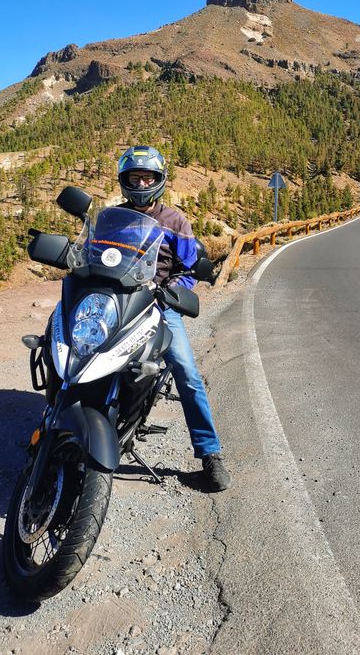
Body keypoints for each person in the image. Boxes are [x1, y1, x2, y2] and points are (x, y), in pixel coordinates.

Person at [117, 145, 231, 492]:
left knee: (186, 371)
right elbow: (95, 253)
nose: (140, 183)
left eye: (146, 177)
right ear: (124, 180)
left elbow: (190, 269)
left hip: (158, 303)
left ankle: (209, 454)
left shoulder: (175, 221)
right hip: (118, 301)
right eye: (134, 177)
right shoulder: (117, 218)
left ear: (159, 181)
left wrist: (170, 290)